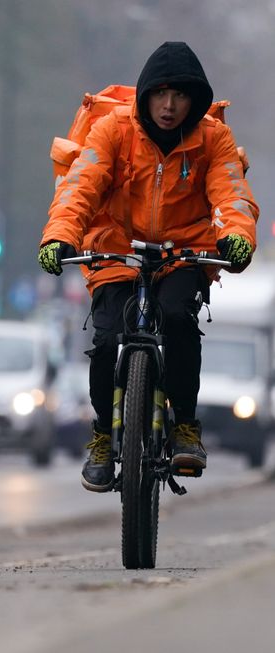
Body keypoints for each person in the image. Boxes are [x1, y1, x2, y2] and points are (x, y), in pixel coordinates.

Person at [38, 41, 259, 492]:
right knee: (105, 341)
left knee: (178, 319)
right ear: (145, 96)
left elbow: (231, 194)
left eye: (180, 96)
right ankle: (102, 434)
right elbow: (80, 187)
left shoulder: (213, 140)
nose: (170, 106)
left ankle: (185, 427)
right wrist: (59, 236)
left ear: (195, 101)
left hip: (185, 252)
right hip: (116, 249)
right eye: (161, 94)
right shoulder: (112, 131)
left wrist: (236, 235)